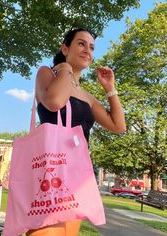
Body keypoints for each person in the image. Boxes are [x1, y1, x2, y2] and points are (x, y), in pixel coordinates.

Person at [27, 27, 126, 236]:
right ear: (65, 48)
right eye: (81, 43)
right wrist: (65, 68)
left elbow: (118, 126)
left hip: (78, 173)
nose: (87, 50)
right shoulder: (48, 73)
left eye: (91, 47)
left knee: (67, 233)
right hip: (51, 169)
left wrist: (110, 89)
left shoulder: (86, 95)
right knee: (44, 232)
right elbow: (54, 101)